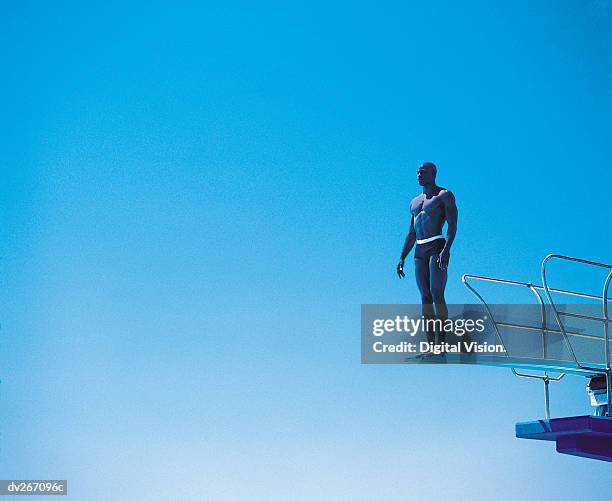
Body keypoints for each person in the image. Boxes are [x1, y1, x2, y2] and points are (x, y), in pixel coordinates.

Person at [396, 162, 458, 343]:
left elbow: (453, 225)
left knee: (436, 292)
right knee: (425, 296)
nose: (419, 175)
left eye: (422, 172)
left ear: (433, 174)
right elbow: (411, 233)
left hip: (437, 245)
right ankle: (431, 344)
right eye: (417, 172)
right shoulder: (414, 202)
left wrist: (447, 249)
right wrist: (402, 257)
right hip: (419, 248)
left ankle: (443, 341)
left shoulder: (444, 195)